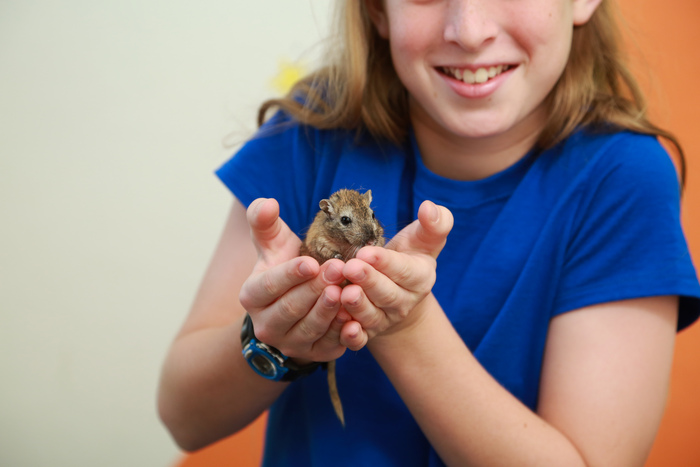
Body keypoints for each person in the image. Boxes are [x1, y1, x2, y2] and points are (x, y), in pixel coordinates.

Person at [158, 0, 700, 465]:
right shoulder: (308, 136)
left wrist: (406, 326)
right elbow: (183, 415)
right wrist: (272, 338)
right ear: (377, 8)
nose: (468, 30)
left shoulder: (623, 179)